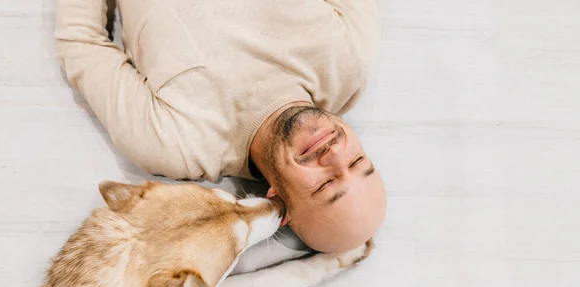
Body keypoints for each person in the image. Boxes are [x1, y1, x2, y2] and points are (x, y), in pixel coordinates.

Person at [55, 0, 386, 253]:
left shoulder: (178, 144)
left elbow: (81, 41)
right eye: (358, 162)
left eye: (325, 185)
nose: (334, 155)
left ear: (278, 202)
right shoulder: (349, 64)